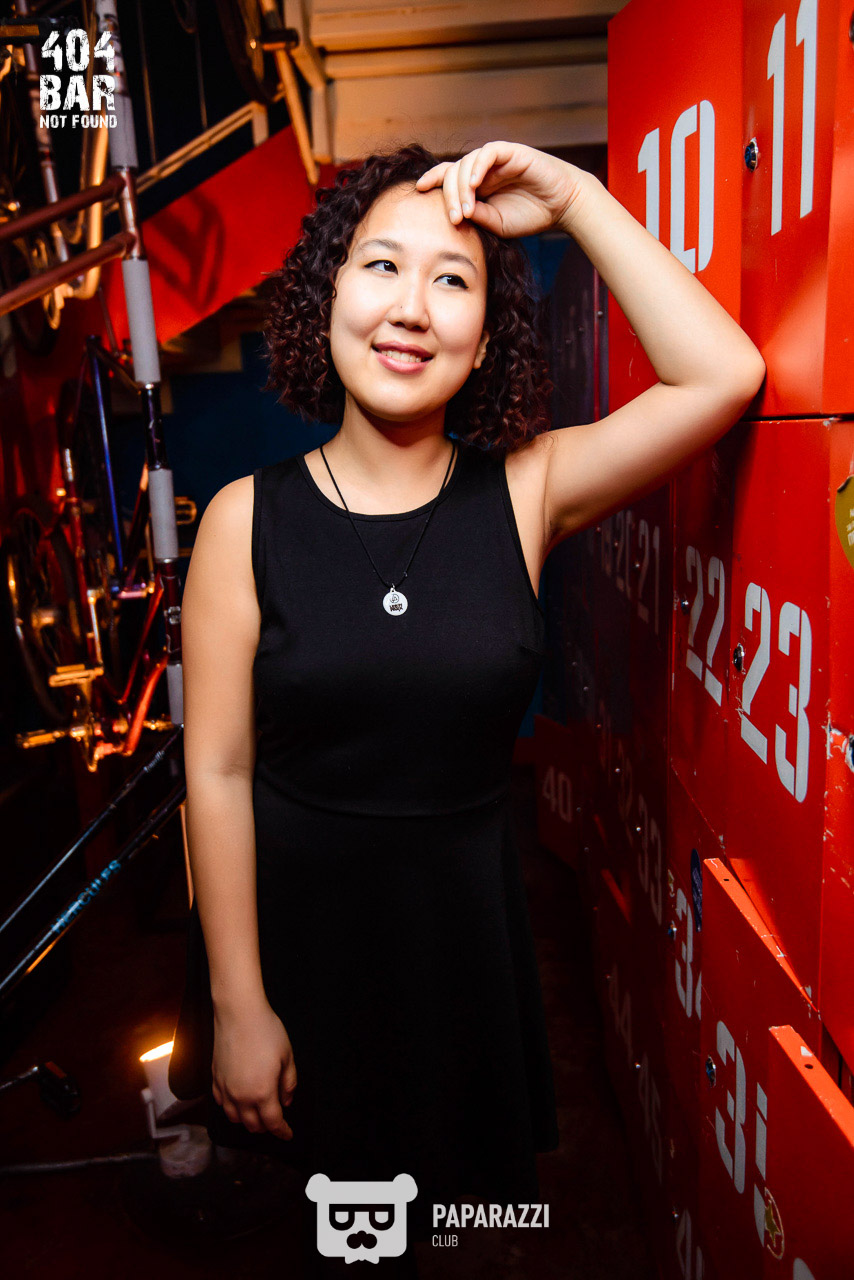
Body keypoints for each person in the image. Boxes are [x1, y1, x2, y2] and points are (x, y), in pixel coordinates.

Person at [167, 140, 765, 1275]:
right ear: (329, 296)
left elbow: (721, 377)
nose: (410, 308)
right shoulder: (245, 519)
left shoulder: (528, 490)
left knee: (463, 1240)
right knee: (329, 1241)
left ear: (485, 337)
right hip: (296, 952)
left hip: (463, 953)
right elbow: (219, 773)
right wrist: (239, 1002)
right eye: (380, 266)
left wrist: (577, 200)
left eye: (452, 279)